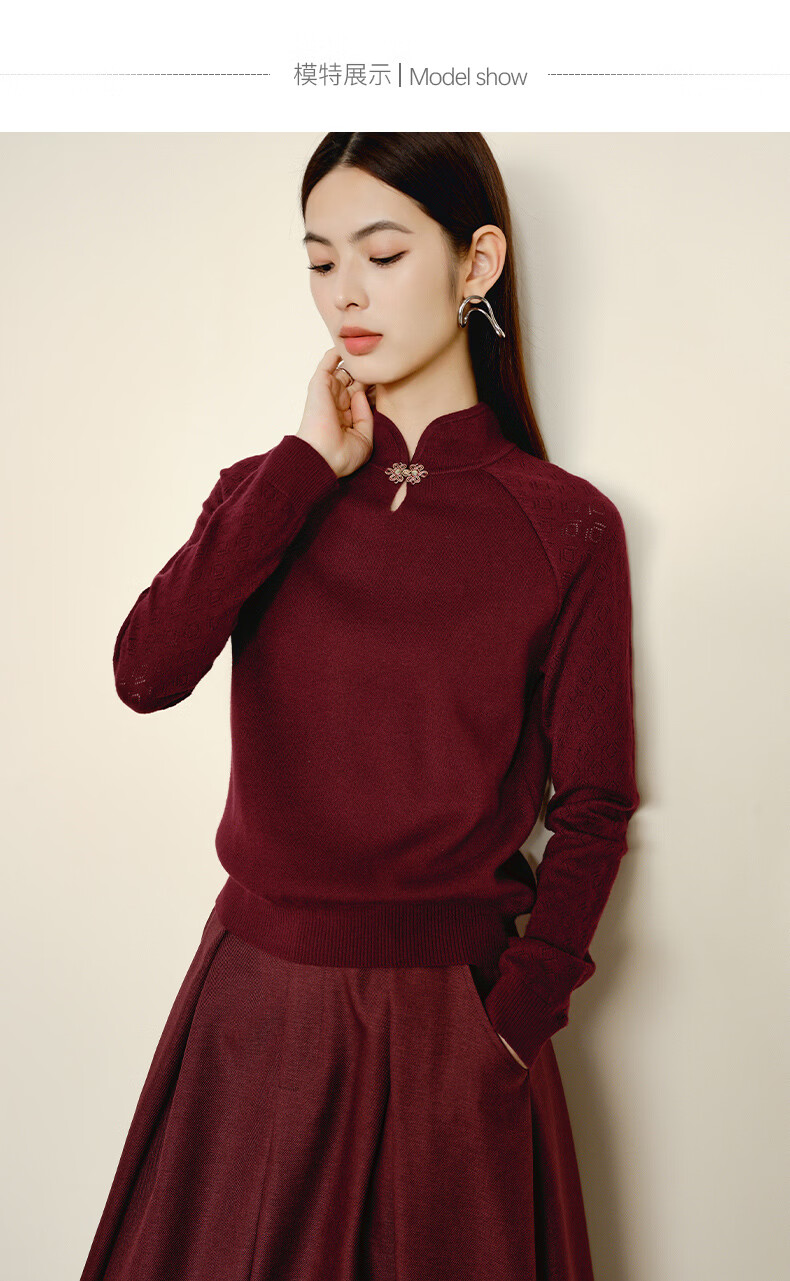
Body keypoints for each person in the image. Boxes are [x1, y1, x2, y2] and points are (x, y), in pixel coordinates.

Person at [79, 132, 640, 1281]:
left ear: (476, 262)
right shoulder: (268, 494)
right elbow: (145, 672)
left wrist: (514, 1016)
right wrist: (300, 467)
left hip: (453, 1025)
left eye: (381, 255)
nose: (345, 293)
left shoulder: (566, 524)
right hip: (254, 1008)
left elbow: (594, 804)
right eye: (320, 260)